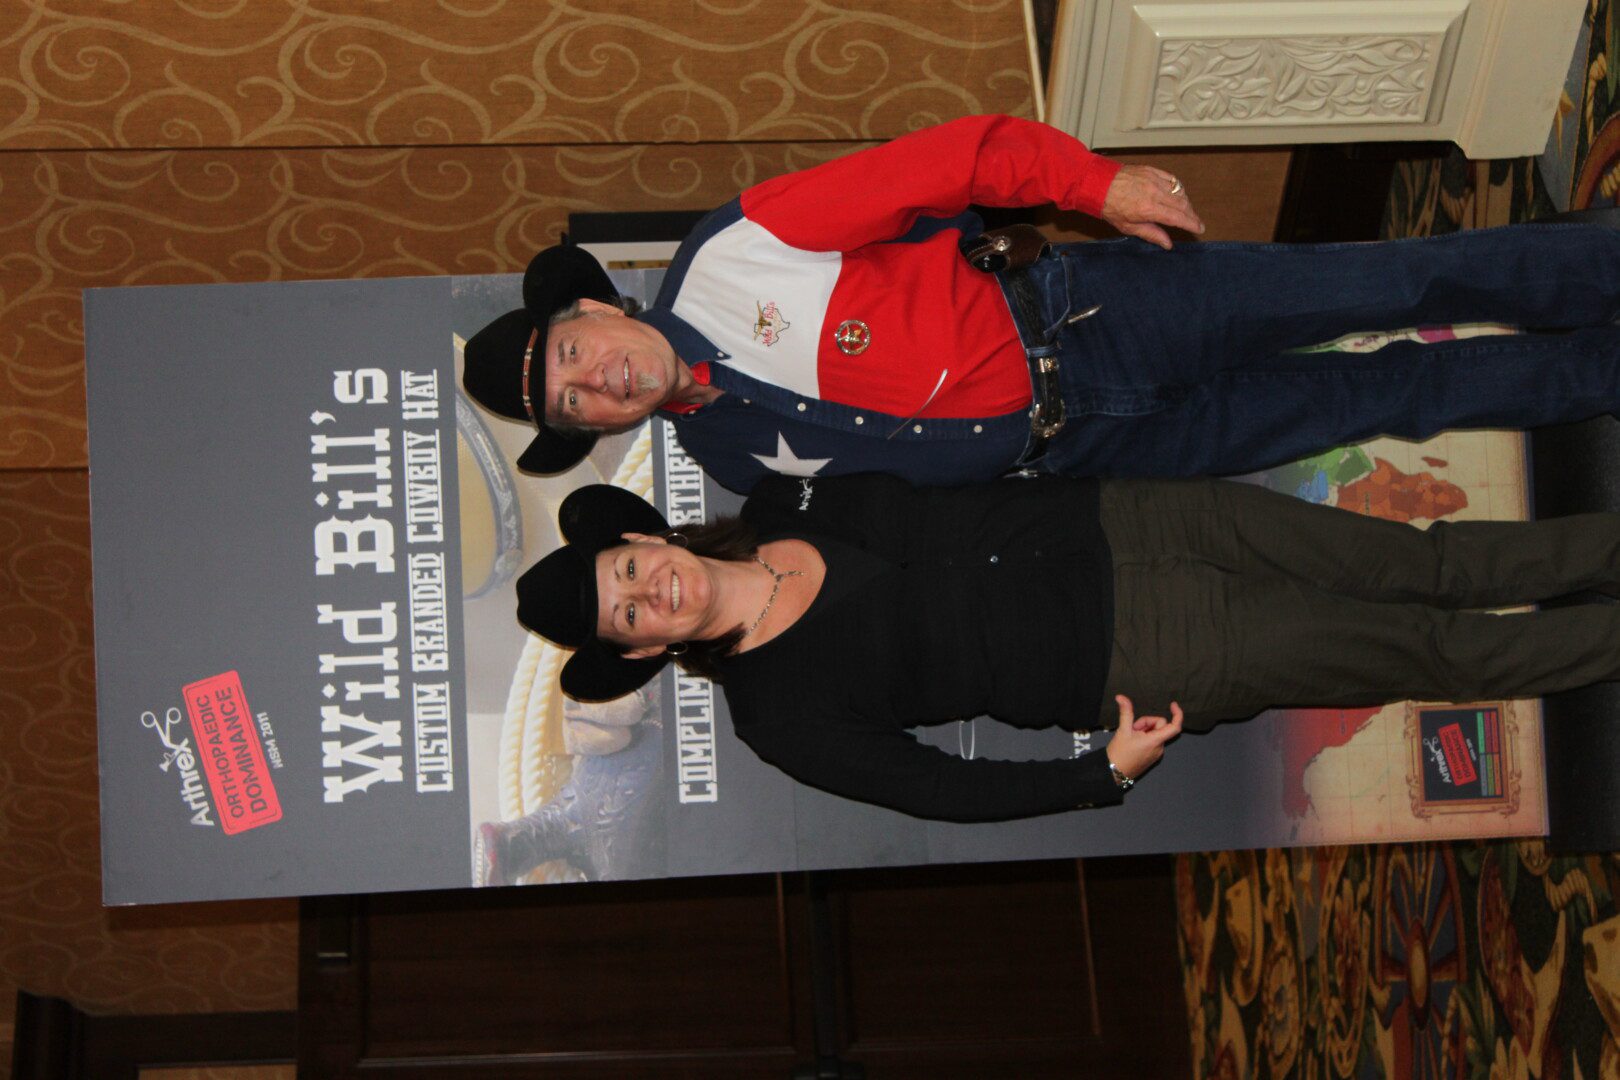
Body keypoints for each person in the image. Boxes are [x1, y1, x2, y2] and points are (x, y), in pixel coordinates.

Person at [463, 113, 1620, 493]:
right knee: (1392, 397)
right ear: (597, 429)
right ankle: (1602, 372)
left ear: (601, 309)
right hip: (1105, 450)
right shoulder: (726, 461)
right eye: (576, 404)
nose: (599, 381)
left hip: (1096, 315)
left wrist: (1093, 185)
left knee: (1391, 282)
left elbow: (950, 161)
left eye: (576, 351)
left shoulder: (731, 255)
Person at [512, 473, 1620, 823]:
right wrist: (1096, 777)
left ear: (645, 537)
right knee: (1431, 650)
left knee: (1418, 564)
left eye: (628, 572)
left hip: (1137, 519)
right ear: (648, 653)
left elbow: (957, 477)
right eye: (631, 617)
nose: (650, 593)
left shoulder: (794, 496)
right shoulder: (779, 716)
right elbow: (937, 790)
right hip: (1148, 643)